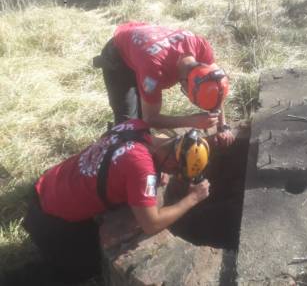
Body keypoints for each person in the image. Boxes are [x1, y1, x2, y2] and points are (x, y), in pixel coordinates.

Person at [19, 119, 211, 285]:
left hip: (49, 184)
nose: (171, 174)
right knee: (86, 269)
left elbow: (119, 161)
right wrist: (193, 198)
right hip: (49, 217)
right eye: (175, 171)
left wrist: (156, 171)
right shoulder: (141, 169)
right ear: (172, 159)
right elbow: (151, 224)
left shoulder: (136, 127)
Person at [93, 22, 234, 147]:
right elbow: (150, 118)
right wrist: (192, 121)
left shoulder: (200, 46)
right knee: (129, 126)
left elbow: (218, 86)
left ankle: (144, 148)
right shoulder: (154, 71)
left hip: (142, 44)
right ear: (184, 85)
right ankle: (113, 152)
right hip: (119, 56)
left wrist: (223, 126)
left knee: (141, 128)